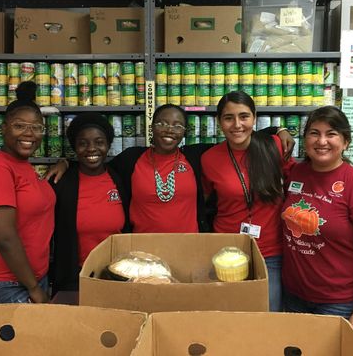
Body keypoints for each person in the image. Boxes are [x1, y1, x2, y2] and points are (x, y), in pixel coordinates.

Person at [48, 103, 294, 234]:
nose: (169, 129)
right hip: (142, 249)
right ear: (152, 127)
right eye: (163, 123)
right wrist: (66, 162)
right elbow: (97, 163)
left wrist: (278, 130)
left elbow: (239, 136)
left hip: (189, 248)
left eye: (177, 125)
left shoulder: (197, 156)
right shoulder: (131, 159)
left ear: (185, 133)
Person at [280, 105, 353, 342]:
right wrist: (282, 129)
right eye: (314, 133)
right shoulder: (297, 173)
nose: (321, 141)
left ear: (345, 142)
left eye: (331, 134)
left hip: (337, 303)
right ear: (305, 140)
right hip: (293, 295)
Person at [201, 91, 294, 312]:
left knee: (268, 316)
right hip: (226, 251)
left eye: (244, 116)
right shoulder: (209, 158)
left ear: (254, 118)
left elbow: (296, 184)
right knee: (229, 317)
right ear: (219, 122)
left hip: (270, 252)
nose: (237, 125)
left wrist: (280, 130)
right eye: (228, 118)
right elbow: (205, 202)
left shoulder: (274, 147)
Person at [0, 81, 55, 304]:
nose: (29, 133)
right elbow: (5, 238)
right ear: (4, 128)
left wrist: (64, 164)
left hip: (28, 279)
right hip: (4, 285)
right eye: (19, 126)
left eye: (36, 127)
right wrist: (34, 288)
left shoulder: (24, 166)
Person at [50, 112, 129, 295]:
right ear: (74, 147)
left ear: (108, 145)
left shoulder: (119, 177)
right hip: (75, 279)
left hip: (117, 276)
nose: (91, 149)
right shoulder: (61, 182)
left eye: (99, 142)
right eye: (83, 143)